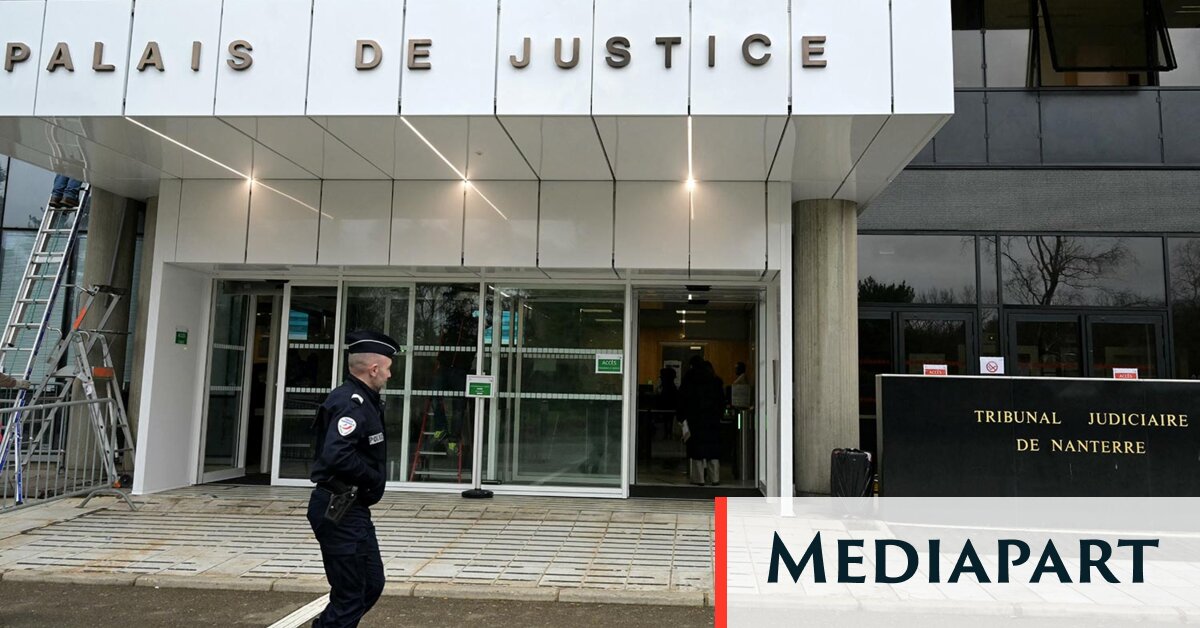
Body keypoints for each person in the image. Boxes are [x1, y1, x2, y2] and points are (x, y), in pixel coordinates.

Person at [307, 330, 397, 628]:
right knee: (351, 595)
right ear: (374, 369)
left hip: (352, 508)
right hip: (339, 508)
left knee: (371, 583)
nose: (389, 374)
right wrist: (372, 478)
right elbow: (337, 454)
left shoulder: (364, 400)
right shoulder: (351, 403)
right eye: (388, 368)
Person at [678, 356, 724, 486]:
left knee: (696, 450)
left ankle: (699, 479)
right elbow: (721, 402)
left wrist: (681, 417)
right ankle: (714, 478)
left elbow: (682, 400)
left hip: (695, 420)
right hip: (713, 421)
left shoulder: (690, 379)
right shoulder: (715, 381)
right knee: (713, 450)